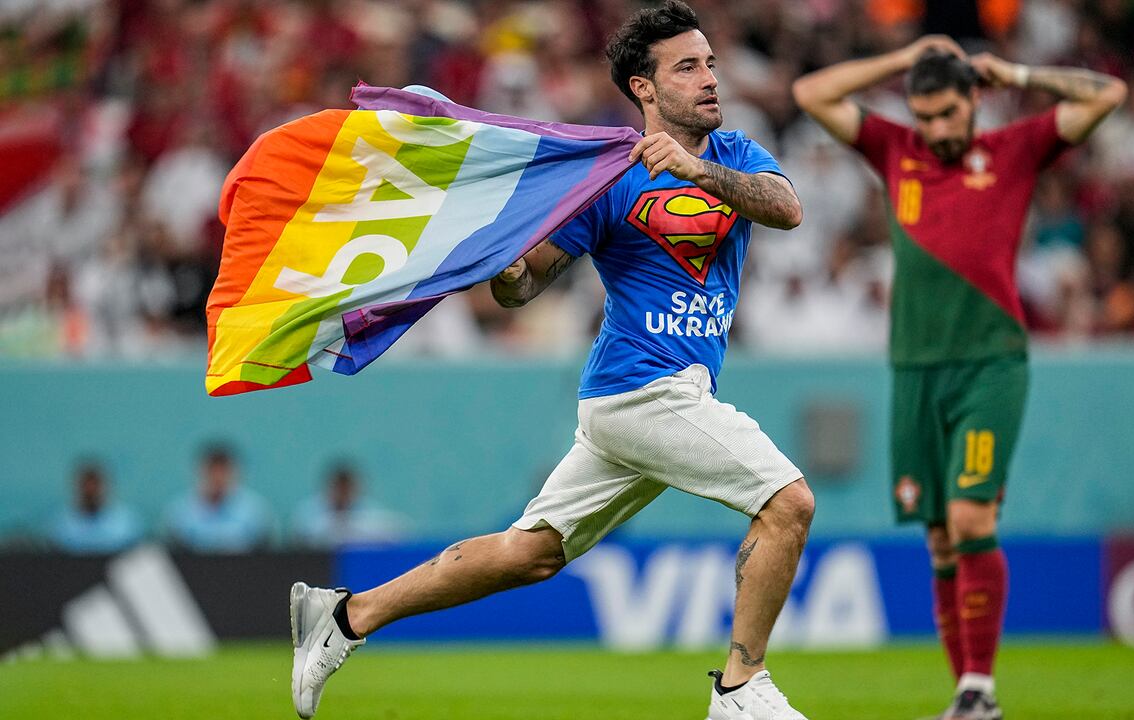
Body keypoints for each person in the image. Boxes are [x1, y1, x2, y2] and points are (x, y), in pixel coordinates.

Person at [289, 3, 813, 719]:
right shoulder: (608, 178)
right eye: (687, 67)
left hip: (643, 400)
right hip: (642, 392)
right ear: (644, 88)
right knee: (788, 504)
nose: (710, 79)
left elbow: (786, 209)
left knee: (528, 552)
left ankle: (345, 617)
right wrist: (504, 270)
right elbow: (528, 282)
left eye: (711, 63)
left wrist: (695, 170)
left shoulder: (735, 155)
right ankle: (739, 688)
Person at [794, 37, 1126, 720]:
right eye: (925, 116)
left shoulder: (1016, 150)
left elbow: (1109, 95)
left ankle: (980, 687)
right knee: (940, 536)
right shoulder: (896, 149)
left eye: (948, 113)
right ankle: (969, 699)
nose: (937, 130)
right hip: (913, 370)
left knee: (972, 515)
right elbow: (811, 95)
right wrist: (901, 58)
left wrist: (1020, 73)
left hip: (990, 365)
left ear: (975, 99)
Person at [163, 443, 273, 553]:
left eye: (223, 471)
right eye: (212, 471)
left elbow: (266, 551)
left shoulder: (255, 511)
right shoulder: (179, 512)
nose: (218, 478)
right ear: (201, 472)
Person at [290, 462, 409, 548]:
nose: (343, 492)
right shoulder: (307, 514)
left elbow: (398, 532)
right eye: (339, 487)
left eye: (347, 487)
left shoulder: (370, 514)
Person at [48, 460, 143, 554]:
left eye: (95, 485)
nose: (91, 491)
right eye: (86, 486)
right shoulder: (62, 524)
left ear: (105, 487)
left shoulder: (126, 522)